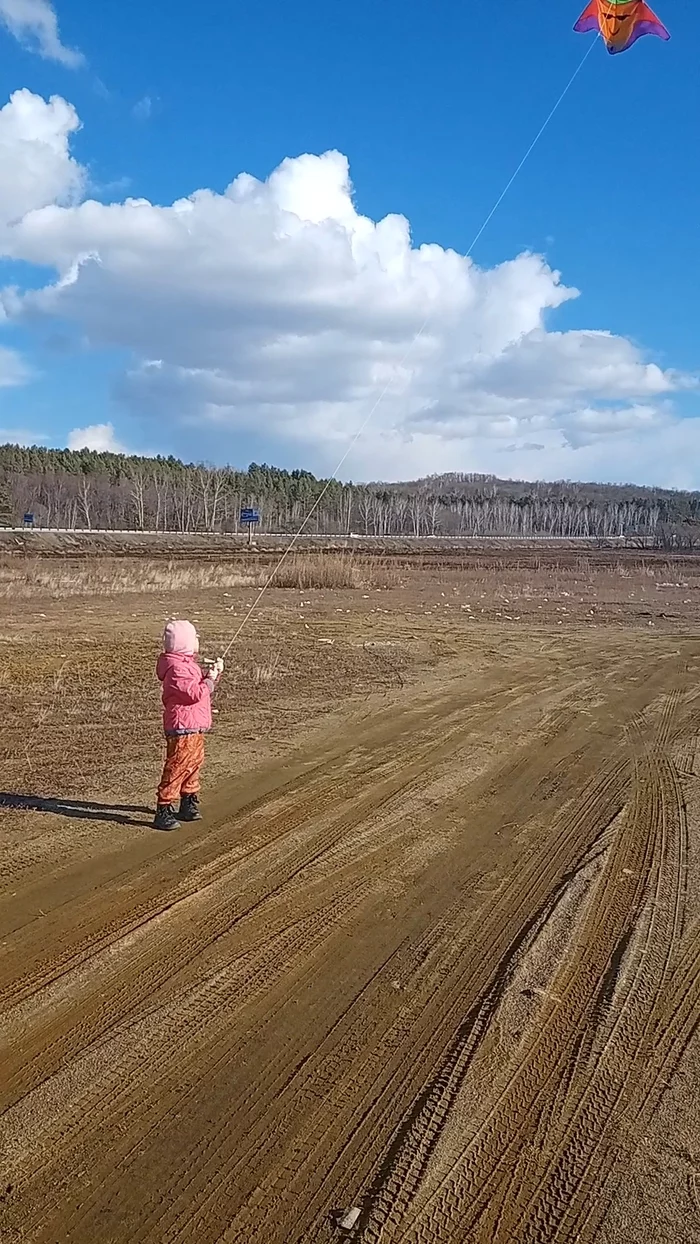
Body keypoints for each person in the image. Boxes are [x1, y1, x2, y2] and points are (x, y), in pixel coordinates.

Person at [154, 619, 224, 831]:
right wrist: (210, 679)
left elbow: (199, 687)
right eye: (194, 638)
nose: (197, 642)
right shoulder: (176, 669)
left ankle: (188, 801)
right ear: (184, 643)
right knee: (178, 765)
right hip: (182, 727)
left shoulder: (187, 666)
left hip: (194, 726)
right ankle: (164, 808)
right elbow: (195, 693)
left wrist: (213, 674)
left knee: (194, 764)